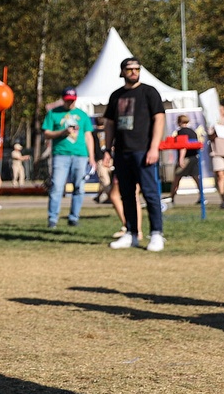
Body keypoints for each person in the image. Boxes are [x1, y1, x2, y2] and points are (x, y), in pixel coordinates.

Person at [104, 57, 166, 252]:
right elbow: (110, 125)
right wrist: (107, 149)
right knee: (127, 195)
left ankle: (156, 234)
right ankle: (131, 234)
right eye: (129, 69)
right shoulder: (116, 96)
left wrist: (154, 147)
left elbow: (159, 119)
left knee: (150, 193)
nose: (133, 72)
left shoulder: (149, 92)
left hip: (144, 151)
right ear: (122, 72)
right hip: (122, 152)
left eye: (136, 69)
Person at [42, 87, 95, 228]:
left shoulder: (83, 115)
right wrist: (62, 132)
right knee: (57, 187)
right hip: (60, 154)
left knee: (79, 187)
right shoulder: (53, 113)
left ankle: (74, 217)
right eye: (67, 100)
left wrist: (92, 156)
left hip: (80, 155)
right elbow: (46, 133)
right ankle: (53, 218)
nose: (70, 103)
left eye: (72, 100)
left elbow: (89, 136)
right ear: (63, 99)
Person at [168, 114, 201, 205]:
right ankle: (202, 196)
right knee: (196, 178)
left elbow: (183, 146)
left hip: (185, 158)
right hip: (194, 157)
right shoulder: (193, 132)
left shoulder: (181, 132)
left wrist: (181, 159)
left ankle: (172, 198)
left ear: (179, 122)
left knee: (177, 178)